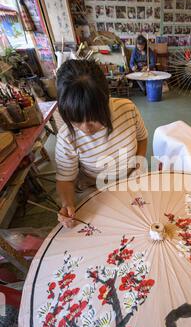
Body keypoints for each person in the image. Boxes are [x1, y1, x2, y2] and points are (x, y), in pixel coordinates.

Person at [55, 60, 148, 228]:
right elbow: (65, 180)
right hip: (96, 189)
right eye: (76, 121)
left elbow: (142, 138)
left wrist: (139, 163)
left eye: (93, 120)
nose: (85, 128)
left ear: (106, 101)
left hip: (131, 179)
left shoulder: (127, 109)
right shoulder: (67, 137)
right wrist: (67, 204)